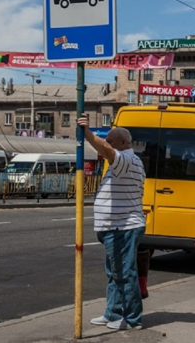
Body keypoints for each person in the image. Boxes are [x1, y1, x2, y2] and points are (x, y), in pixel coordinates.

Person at [77, 114, 146, 330]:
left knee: (125, 274)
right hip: (116, 226)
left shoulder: (125, 159)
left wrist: (88, 133)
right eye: (107, 140)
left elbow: (106, 151)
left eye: (111, 141)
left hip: (123, 227)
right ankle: (113, 314)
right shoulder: (125, 161)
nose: (108, 145)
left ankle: (132, 320)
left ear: (124, 143)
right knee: (115, 273)